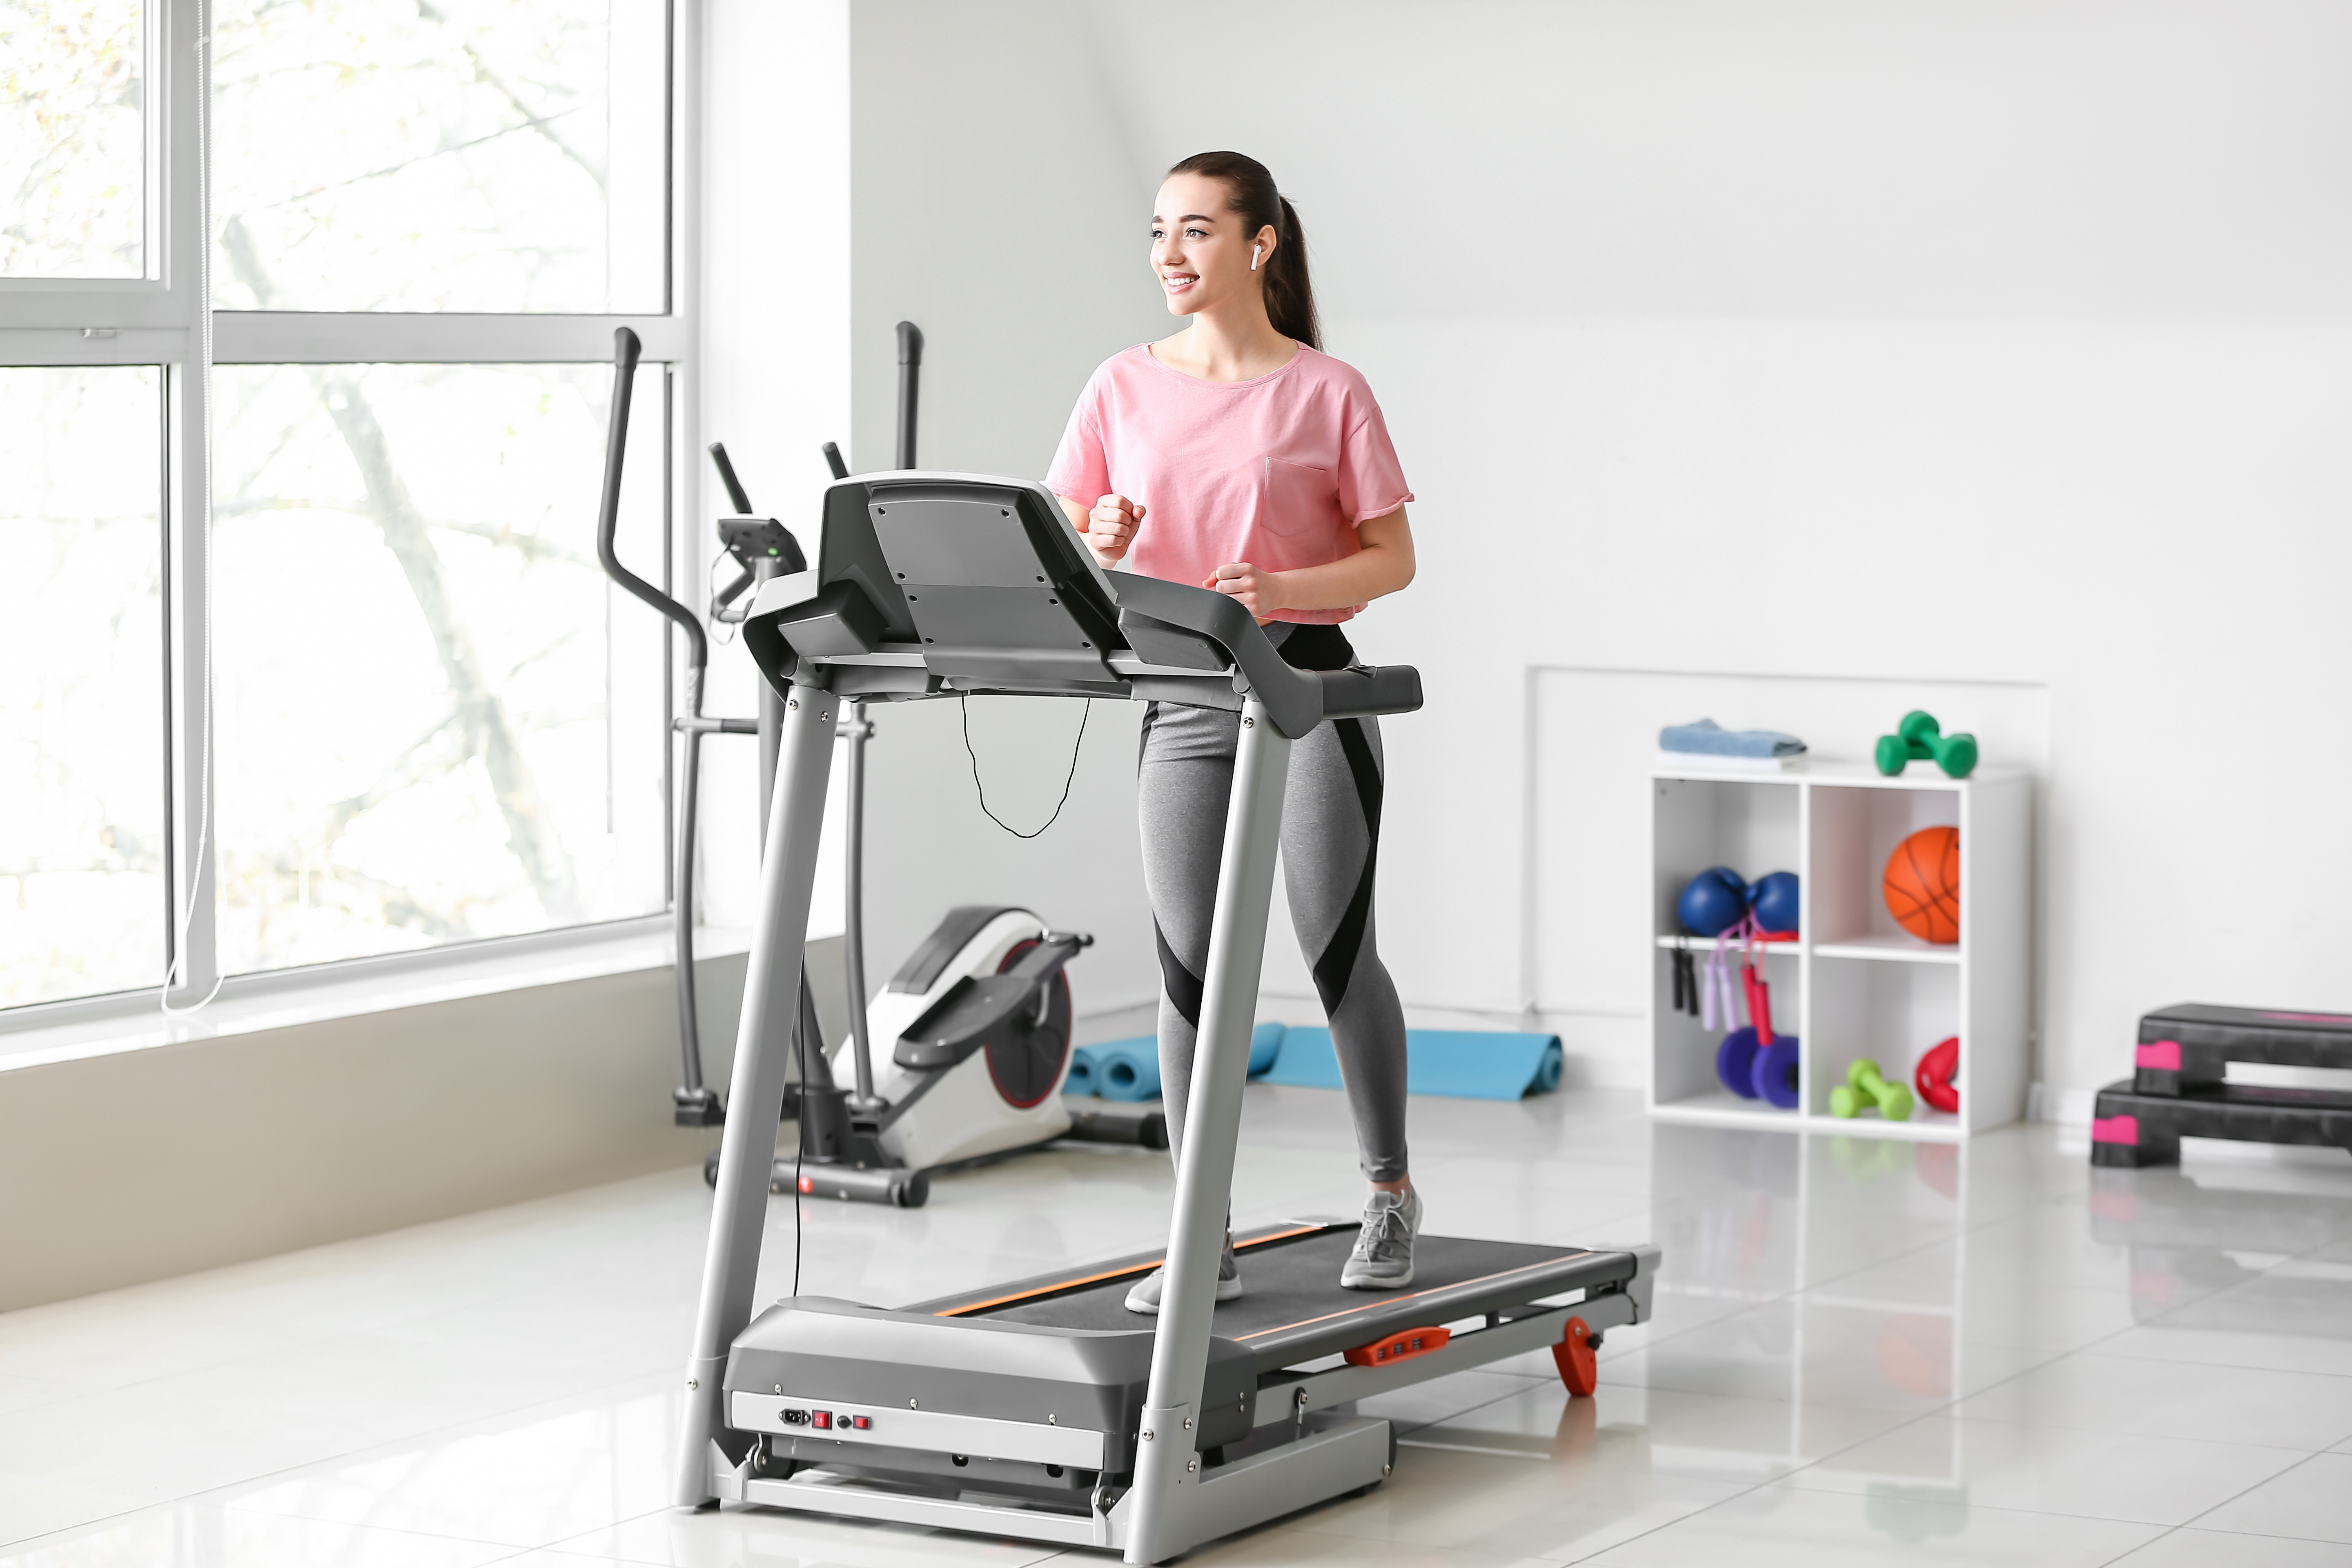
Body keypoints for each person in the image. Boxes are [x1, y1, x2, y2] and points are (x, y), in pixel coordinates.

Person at [1045, 151, 1421, 1312]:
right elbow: (1068, 528)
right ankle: (1199, 1229)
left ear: (1259, 246)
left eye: (1196, 231)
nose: (1169, 253)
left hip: (1306, 691)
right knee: (1189, 971)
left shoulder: (1329, 390)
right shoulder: (1119, 383)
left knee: (1333, 948)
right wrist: (1096, 526)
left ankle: (1391, 1189)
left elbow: (1392, 559)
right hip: (1182, 702)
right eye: (1159, 231)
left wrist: (1285, 589)